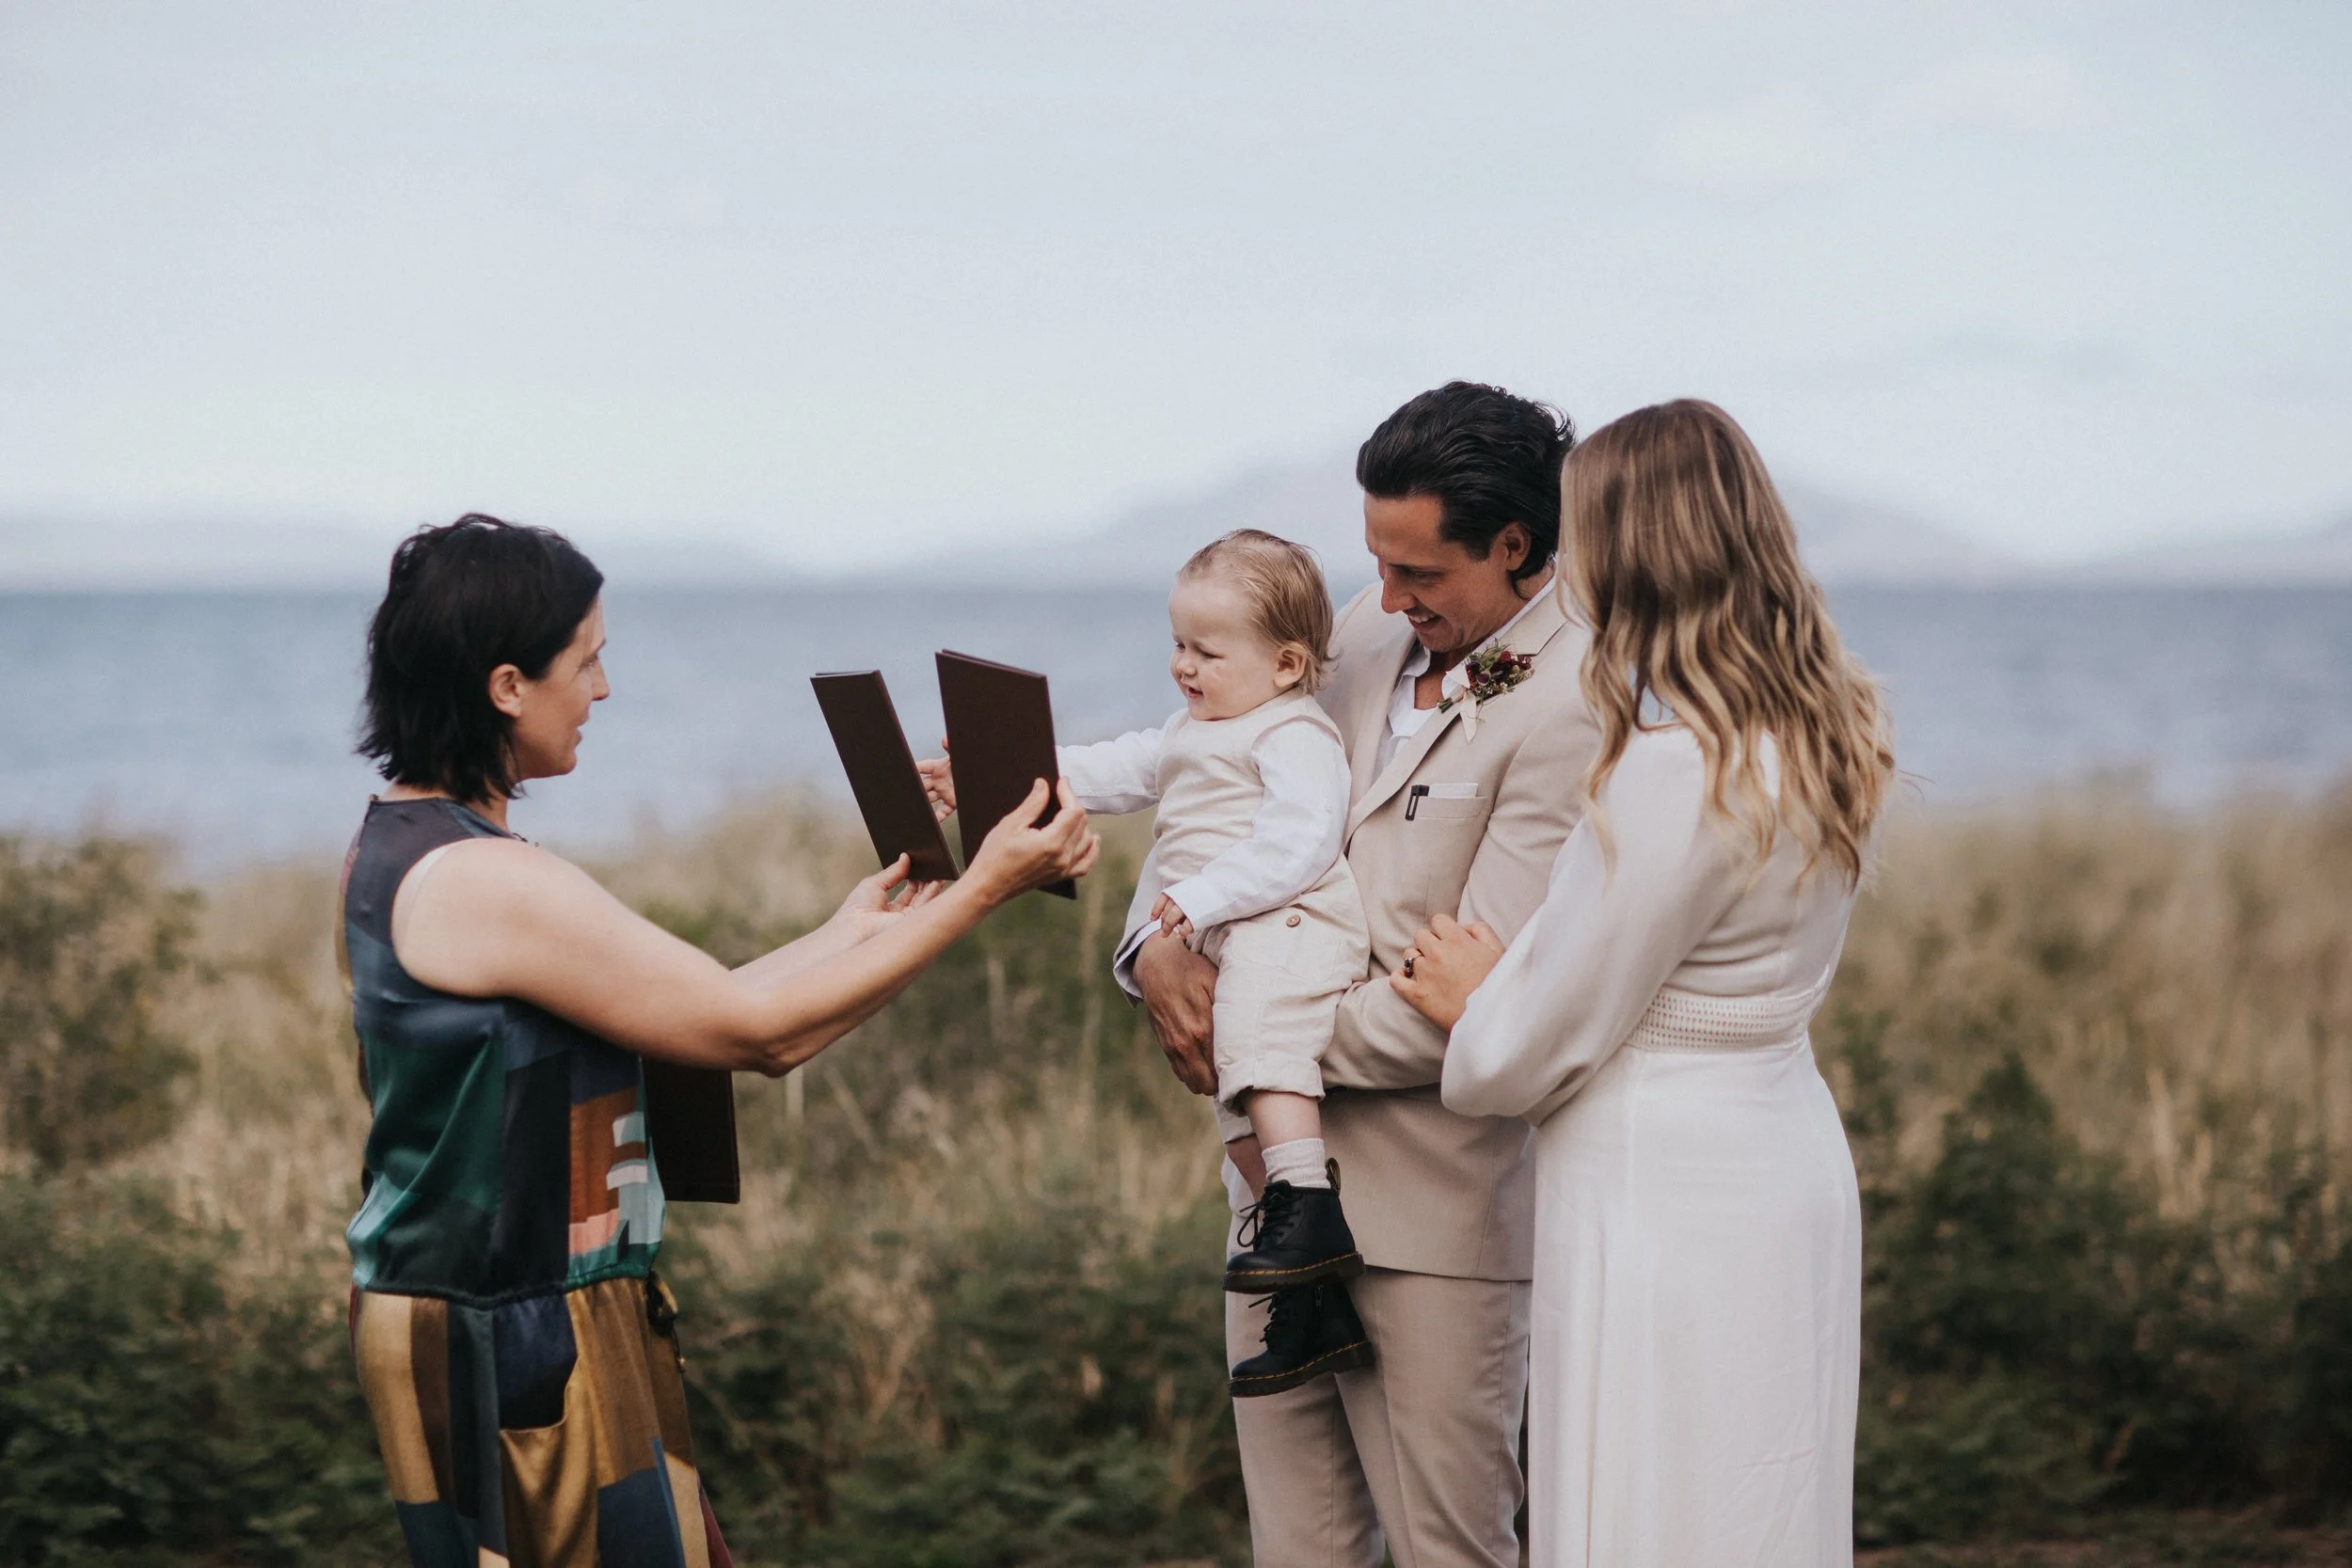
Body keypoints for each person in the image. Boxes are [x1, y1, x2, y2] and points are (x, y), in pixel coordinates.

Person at [341, 515, 1096, 1568]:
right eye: (588, 661)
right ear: (507, 684)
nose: (601, 690)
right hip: (507, 1324)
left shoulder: (414, 842)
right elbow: (756, 1036)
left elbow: (694, 1011)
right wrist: (981, 889)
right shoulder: (484, 879)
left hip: (509, 1305)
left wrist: (849, 931)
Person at [1394, 400, 1895, 1567]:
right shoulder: (1829, 737)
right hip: (1783, 1153)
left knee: (1654, 1496)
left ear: (1630, 556)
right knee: (1759, 1490)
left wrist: (1480, 995)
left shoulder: (1674, 777)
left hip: (1661, 1182)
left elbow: (1533, 1043)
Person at [1135, 383, 1597, 1568]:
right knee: (1300, 1548)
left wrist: (1255, 1029)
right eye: (1376, 563)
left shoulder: (1576, 703)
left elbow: (1484, 999)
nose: (1385, 599)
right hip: (1272, 1194)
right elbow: (1214, 806)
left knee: (1451, 1548)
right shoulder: (1361, 628)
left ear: (1513, 544)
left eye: (1420, 574)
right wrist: (1158, 946)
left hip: (1438, 1213)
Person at [925, 529, 1377, 1395]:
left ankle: (1309, 1209)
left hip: (1288, 922)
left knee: (1256, 1043)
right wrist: (978, 774)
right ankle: (1301, 1280)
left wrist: (1203, 899)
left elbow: (1301, 840)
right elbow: (1102, 769)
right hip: (1223, 930)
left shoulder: (1293, 734)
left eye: (1207, 651)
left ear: (1285, 665)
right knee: (1230, 1095)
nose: (1183, 665)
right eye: (1177, 644)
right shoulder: (1189, 730)